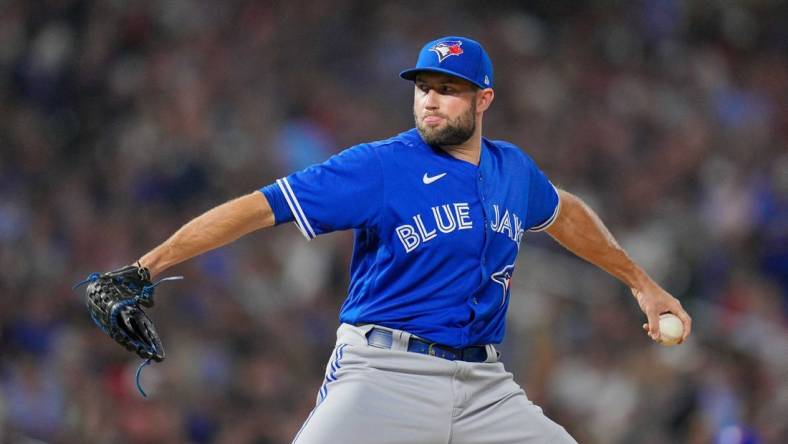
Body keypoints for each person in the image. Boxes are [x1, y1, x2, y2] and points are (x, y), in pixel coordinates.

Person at [135, 36, 692, 443]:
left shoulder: (512, 171)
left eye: (449, 90)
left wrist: (641, 285)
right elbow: (258, 209)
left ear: (483, 101)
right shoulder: (381, 166)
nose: (430, 99)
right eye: (425, 86)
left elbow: (565, 213)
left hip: (485, 384)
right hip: (385, 373)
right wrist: (147, 267)